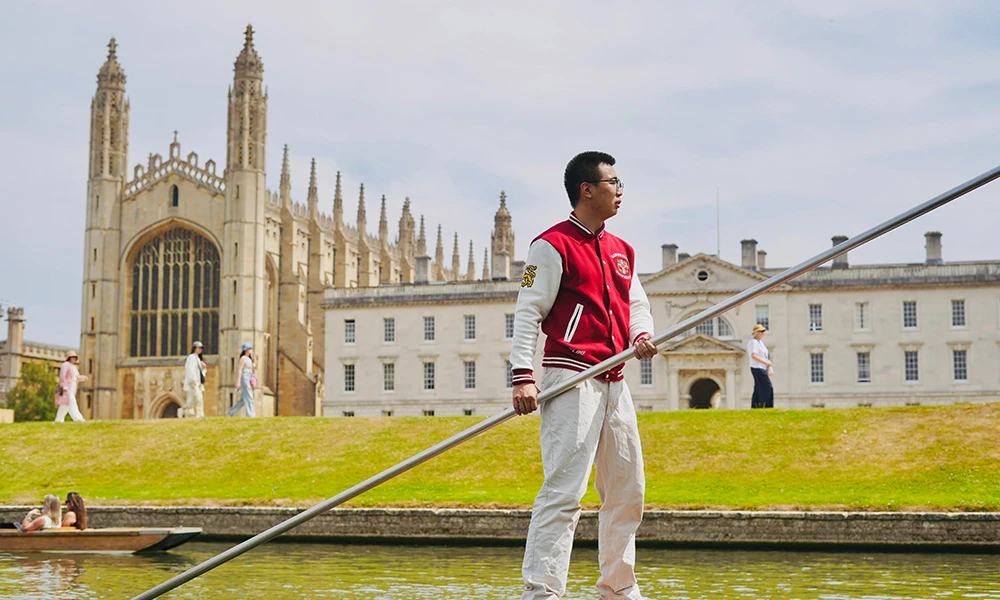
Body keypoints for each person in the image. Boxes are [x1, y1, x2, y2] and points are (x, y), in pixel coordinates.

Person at [510, 151, 656, 600]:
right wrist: (522, 375)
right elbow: (527, 310)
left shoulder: (622, 250)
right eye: (613, 182)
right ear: (586, 190)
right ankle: (543, 590)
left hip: (614, 379)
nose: (620, 191)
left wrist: (641, 332)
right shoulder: (547, 247)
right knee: (564, 491)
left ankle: (617, 586)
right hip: (570, 376)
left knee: (628, 489)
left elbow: (636, 304)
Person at [55, 351, 88, 422]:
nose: (73, 359)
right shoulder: (65, 365)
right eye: (72, 357)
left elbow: (76, 377)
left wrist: (83, 378)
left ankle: (58, 420)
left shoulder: (73, 367)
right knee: (72, 401)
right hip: (67, 387)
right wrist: (64, 387)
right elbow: (62, 377)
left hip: (73, 386)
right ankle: (78, 418)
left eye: (75, 358)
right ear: (69, 358)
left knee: (65, 405)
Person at [748, 323, 774, 408]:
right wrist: (765, 362)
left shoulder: (760, 343)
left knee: (758, 388)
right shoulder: (753, 342)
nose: (763, 333)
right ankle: (767, 405)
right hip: (757, 367)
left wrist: (768, 366)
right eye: (761, 331)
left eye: (763, 331)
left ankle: (755, 405)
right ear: (756, 333)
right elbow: (753, 355)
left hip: (761, 367)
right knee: (767, 386)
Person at [228, 343, 256, 417]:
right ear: (246, 350)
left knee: (243, 399)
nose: (251, 350)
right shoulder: (243, 358)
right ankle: (251, 415)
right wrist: (238, 382)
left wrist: (257, 359)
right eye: (249, 349)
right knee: (249, 396)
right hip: (245, 377)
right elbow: (240, 369)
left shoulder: (249, 359)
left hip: (249, 377)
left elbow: (255, 368)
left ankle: (231, 412)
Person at [181, 341, 207, 418]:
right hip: (194, 382)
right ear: (194, 348)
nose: (200, 349)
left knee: (191, 402)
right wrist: (193, 380)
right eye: (198, 348)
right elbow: (190, 369)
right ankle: (200, 415)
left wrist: (204, 370)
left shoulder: (198, 359)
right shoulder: (191, 357)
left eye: (201, 348)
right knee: (199, 398)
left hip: (198, 383)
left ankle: (181, 410)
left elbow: (200, 373)